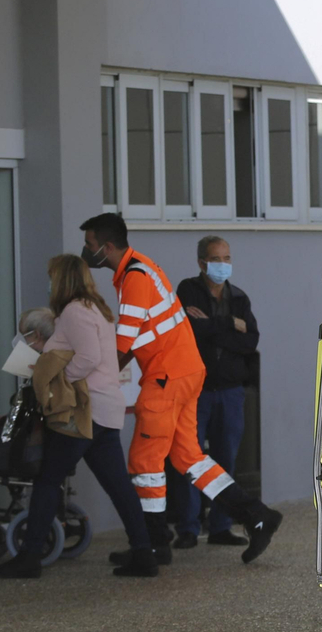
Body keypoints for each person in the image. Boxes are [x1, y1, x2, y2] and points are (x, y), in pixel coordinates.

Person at [79, 212, 282, 565]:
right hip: (186, 374)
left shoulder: (135, 277)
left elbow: (124, 343)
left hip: (166, 378)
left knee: (145, 461)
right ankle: (256, 515)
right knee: (189, 457)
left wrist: (97, 380)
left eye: (90, 245)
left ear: (107, 247)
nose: (87, 251)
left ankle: (154, 545)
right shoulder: (142, 269)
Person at [0, 264, 159, 579]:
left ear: (63, 281)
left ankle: (30, 557)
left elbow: (89, 357)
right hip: (103, 412)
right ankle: (144, 552)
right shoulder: (96, 309)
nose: (49, 285)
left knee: (48, 481)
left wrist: (59, 380)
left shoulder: (73, 312)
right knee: (118, 487)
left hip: (82, 413)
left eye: (52, 279)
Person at [174, 235, 259, 549]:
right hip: (195, 391)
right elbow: (189, 331)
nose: (223, 264)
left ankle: (221, 526)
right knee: (190, 459)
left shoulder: (239, 298)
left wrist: (213, 327)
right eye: (216, 258)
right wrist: (227, 325)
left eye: (226, 258)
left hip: (230, 391)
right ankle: (187, 527)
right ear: (201, 263)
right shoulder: (187, 290)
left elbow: (250, 341)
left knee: (225, 460)